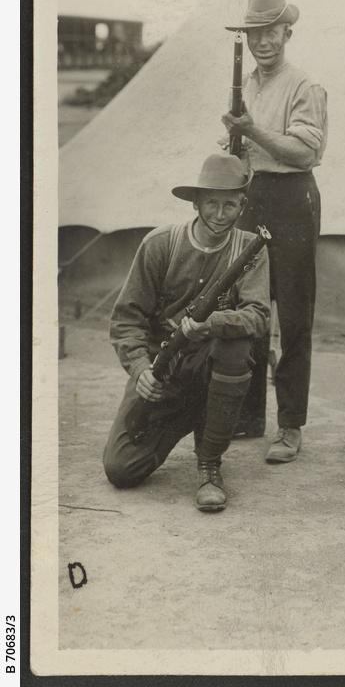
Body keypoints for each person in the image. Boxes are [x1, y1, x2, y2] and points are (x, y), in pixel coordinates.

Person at [103, 154, 270, 513]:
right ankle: (193, 413)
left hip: (210, 362)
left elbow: (257, 317)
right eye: (212, 203)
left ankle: (209, 464)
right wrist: (140, 369)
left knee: (235, 344)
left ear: (242, 205)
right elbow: (126, 319)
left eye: (230, 204)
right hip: (162, 366)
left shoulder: (251, 249)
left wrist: (209, 325)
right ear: (195, 203)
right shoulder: (160, 243)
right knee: (122, 468)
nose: (221, 214)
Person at [220, 0, 327, 464]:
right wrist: (233, 141)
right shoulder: (246, 83)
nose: (263, 41)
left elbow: (306, 153)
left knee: (295, 316)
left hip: (292, 198)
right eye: (254, 33)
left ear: (288, 33)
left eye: (271, 31)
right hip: (252, 194)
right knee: (250, 305)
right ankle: (247, 415)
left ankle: (290, 425)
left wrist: (252, 131)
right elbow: (237, 146)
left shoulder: (304, 84)